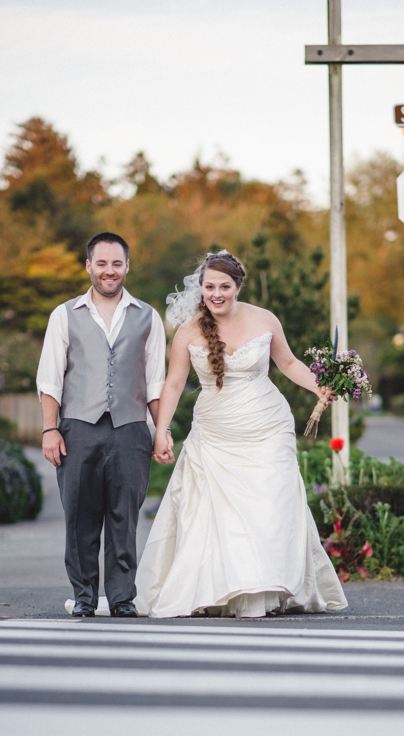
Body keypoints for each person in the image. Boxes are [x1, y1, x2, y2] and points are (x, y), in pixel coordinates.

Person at [135, 250, 347, 619]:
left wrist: (319, 388)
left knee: (270, 506)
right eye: (209, 287)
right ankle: (224, 587)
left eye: (224, 286)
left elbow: (289, 363)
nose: (217, 294)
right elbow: (172, 384)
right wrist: (161, 430)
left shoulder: (264, 320)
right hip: (215, 435)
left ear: (238, 286)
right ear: (200, 289)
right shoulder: (187, 332)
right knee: (222, 515)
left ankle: (269, 585)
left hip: (269, 427)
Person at [36, 231, 167, 617]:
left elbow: (156, 382)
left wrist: (161, 431)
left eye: (117, 263)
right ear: (88, 266)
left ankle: (123, 598)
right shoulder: (64, 315)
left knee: (125, 517)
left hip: (130, 428)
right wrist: (49, 429)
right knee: (80, 517)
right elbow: (50, 379)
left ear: (127, 266)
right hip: (78, 428)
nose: (109, 271)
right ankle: (84, 598)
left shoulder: (148, 316)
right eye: (102, 263)